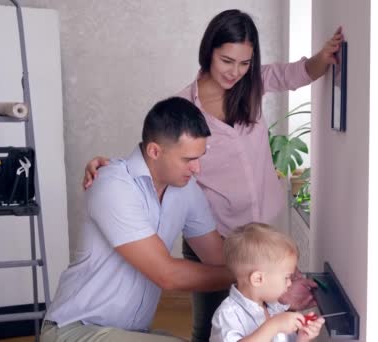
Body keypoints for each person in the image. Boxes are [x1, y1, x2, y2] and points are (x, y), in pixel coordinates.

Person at [83, 9, 343, 341]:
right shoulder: (183, 106)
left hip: (261, 226)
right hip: (214, 230)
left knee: (271, 313)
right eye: (226, 60)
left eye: (244, 62)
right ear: (209, 52)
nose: (235, 72)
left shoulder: (252, 85)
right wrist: (105, 166)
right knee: (213, 324)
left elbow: (299, 73)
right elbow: (159, 152)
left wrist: (324, 56)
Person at [41, 97, 234, 342]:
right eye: (188, 159)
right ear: (155, 151)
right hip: (73, 330)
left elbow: (218, 257)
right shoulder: (112, 185)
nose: (197, 168)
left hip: (131, 334)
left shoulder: (187, 190)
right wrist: (248, 275)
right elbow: (167, 274)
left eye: (200, 157)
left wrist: (275, 272)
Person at [210, 223, 324, 342]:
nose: (290, 283)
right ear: (258, 279)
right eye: (286, 277)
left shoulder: (274, 308)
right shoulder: (227, 315)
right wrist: (273, 326)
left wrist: (302, 338)